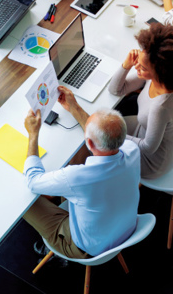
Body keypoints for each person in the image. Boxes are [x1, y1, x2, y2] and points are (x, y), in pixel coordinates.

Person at [23, 107, 140, 259]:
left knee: (24, 201)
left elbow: (33, 180)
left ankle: (57, 251)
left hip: (87, 248)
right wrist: (74, 106)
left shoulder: (77, 178)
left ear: (90, 143)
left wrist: (33, 134)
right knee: (77, 157)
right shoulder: (133, 149)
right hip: (125, 228)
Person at [108, 23, 173, 179]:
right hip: (142, 130)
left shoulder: (161, 107)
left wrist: (113, 134)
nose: (136, 67)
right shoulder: (162, 80)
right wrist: (125, 65)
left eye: (143, 67)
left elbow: (147, 148)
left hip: (152, 162)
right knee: (99, 134)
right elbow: (116, 90)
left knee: (99, 142)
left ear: (160, 72)